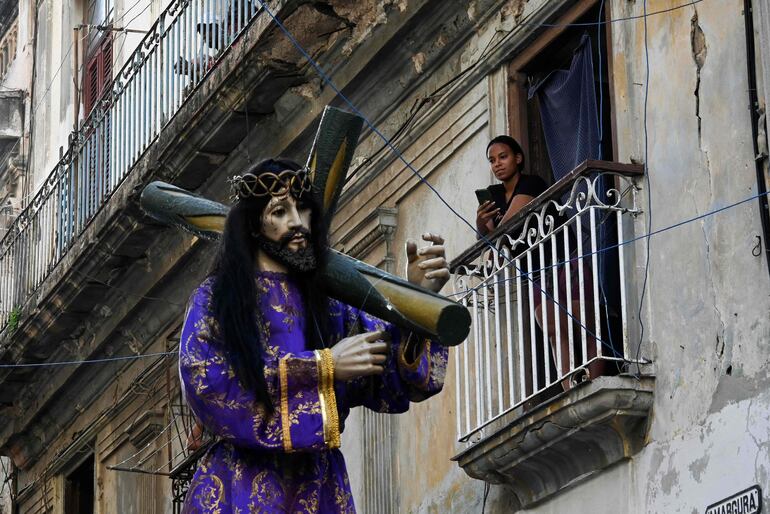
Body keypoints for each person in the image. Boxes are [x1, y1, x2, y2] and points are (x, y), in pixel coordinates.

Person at [178, 158, 450, 513]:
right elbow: (209, 382)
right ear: (254, 224)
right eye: (280, 211)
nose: (297, 223)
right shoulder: (217, 299)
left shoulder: (329, 304)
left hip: (319, 487)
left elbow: (390, 373)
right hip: (239, 487)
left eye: (303, 209)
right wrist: (323, 366)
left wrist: (416, 304)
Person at [475, 135, 547, 235]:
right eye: (492, 160)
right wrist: (480, 224)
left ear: (518, 158)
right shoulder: (492, 192)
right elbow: (488, 240)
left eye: (503, 157)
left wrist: (493, 242)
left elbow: (507, 226)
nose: (497, 164)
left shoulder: (532, 183)